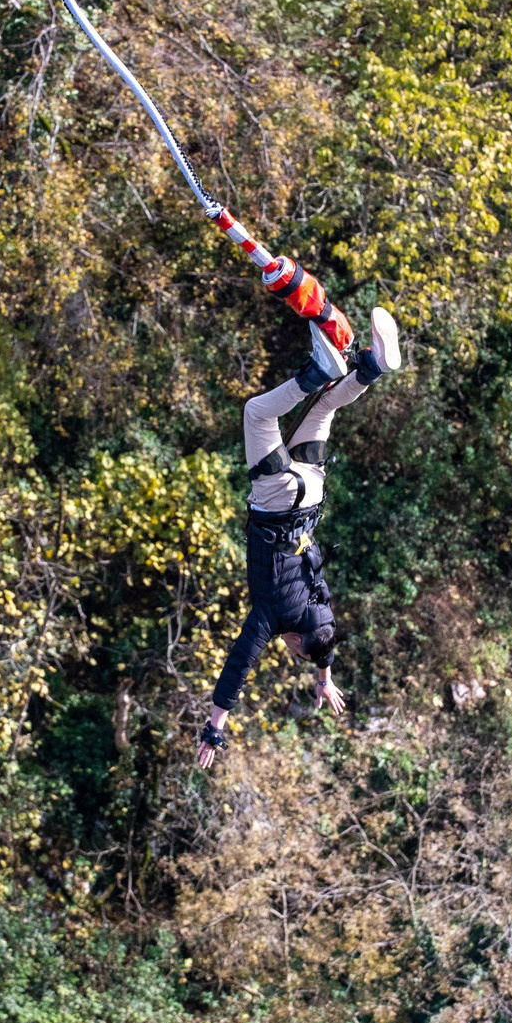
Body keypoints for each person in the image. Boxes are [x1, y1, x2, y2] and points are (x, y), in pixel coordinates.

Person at [196, 305, 402, 768]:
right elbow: (237, 668)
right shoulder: (275, 617)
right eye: (296, 653)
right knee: (256, 415)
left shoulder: (318, 601)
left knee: (326, 406)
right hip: (276, 500)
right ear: (293, 641)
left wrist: (325, 678)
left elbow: (324, 639)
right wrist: (215, 727)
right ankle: (315, 372)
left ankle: (370, 368)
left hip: (312, 491)